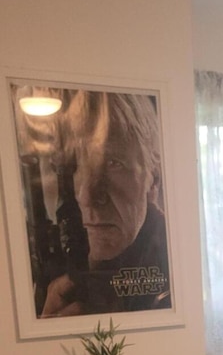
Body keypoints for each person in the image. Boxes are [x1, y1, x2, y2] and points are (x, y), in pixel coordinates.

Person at [14, 86, 172, 317]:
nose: (87, 197)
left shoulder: (177, 270)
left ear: (153, 180)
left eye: (113, 163)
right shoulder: (38, 265)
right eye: (68, 169)